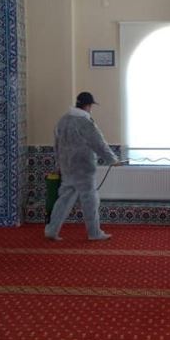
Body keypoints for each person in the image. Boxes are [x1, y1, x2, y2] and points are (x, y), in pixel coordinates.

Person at [45, 92, 121, 241]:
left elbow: (56, 145)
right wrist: (112, 160)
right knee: (90, 202)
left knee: (63, 201)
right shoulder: (84, 122)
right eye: (91, 106)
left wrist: (58, 164)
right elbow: (98, 143)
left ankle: (51, 230)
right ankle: (94, 233)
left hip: (67, 168)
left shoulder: (63, 120)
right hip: (83, 169)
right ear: (88, 106)